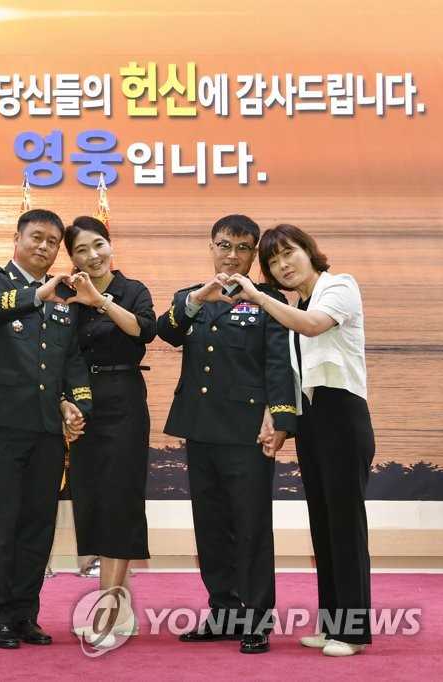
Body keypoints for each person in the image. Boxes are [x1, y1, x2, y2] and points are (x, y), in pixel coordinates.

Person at [229, 224, 376, 657]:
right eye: (273, 262)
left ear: (309, 252)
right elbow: (293, 377)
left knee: (345, 526)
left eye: (288, 253)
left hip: (342, 416)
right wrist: (275, 421)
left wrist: (259, 298)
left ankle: (353, 633)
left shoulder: (340, 287)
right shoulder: (295, 306)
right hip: (311, 420)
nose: (282, 265)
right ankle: (333, 626)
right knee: (324, 526)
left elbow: (314, 327)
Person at [156, 214, 296, 655]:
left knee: (251, 528)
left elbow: (279, 363)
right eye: (224, 245)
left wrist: (281, 418)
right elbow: (166, 332)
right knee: (211, 527)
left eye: (242, 247)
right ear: (211, 247)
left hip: (247, 432)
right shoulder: (191, 297)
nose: (232, 255)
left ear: (253, 254)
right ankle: (224, 612)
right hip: (200, 427)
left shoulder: (269, 299)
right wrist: (199, 297)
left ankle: (257, 619)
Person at [0, 208, 92, 649]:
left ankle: (25, 616)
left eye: (53, 242)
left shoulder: (66, 296)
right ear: (16, 239)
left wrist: (77, 404)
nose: (44, 247)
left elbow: (71, 359)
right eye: (37, 237)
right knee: (1, 523)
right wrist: (38, 293)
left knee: (39, 524)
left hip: (45, 426)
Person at [62, 216, 156, 648]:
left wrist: (99, 300)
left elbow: (143, 330)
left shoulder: (133, 290)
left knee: (120, 498)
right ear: (72, 257)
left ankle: (109, 608)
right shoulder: (66, 297)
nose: (92, 255)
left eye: (98, 244)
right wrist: (65, 404)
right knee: (95, 499)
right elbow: (60, 355)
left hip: (123, 399)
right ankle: (123, 606)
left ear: (110, 245)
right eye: (81, 250)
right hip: (84, 404)